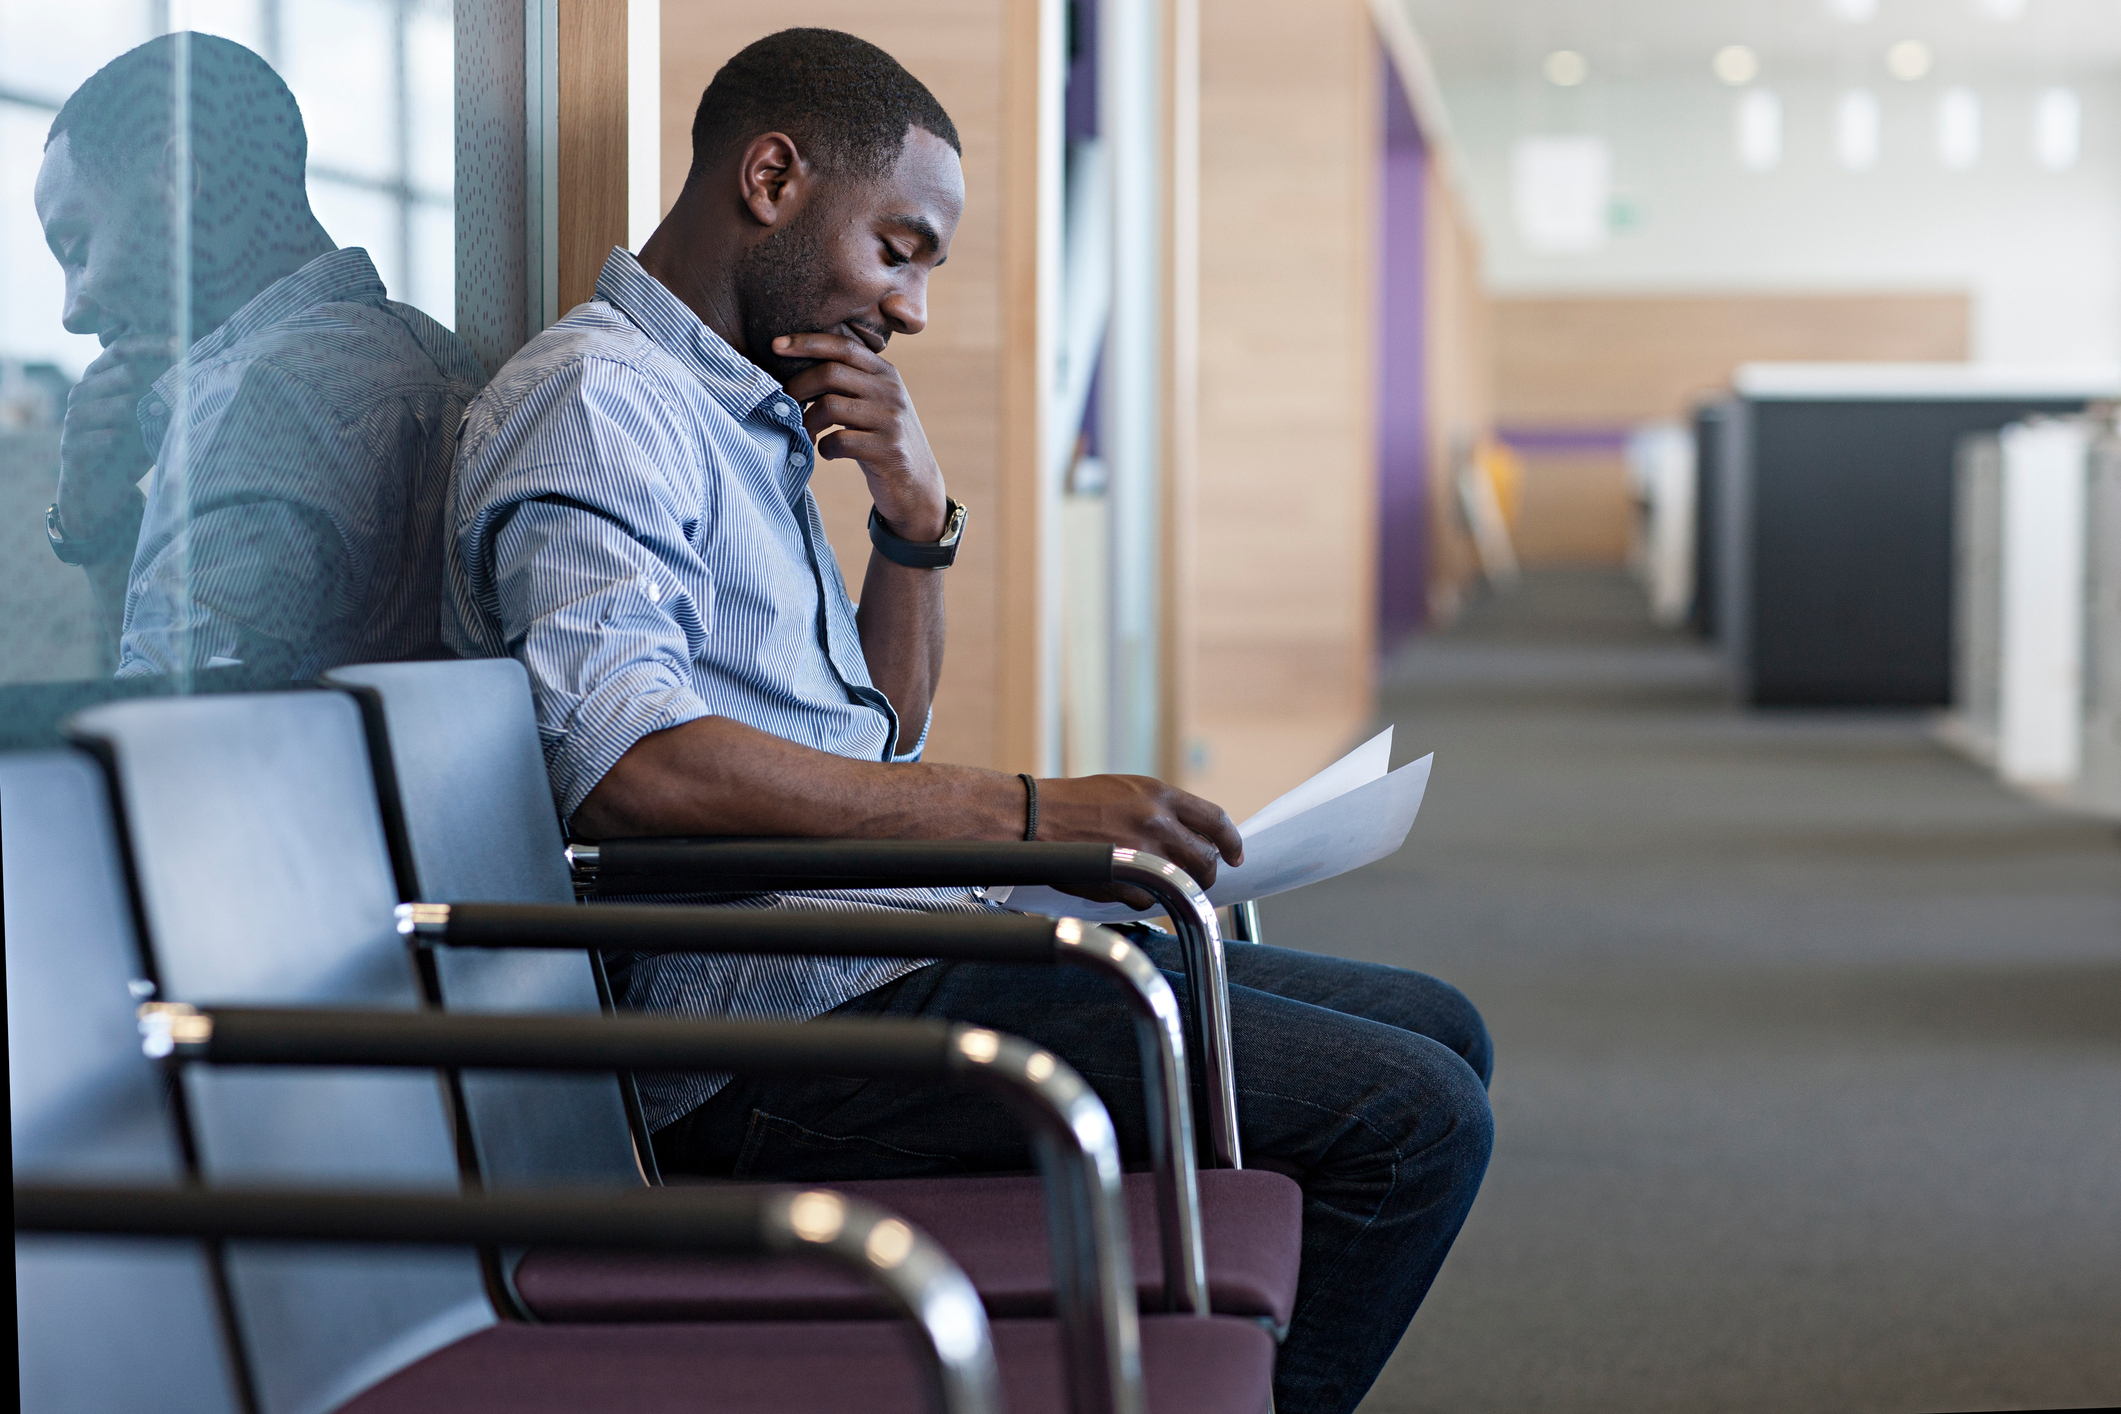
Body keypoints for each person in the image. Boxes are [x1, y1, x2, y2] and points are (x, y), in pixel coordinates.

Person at [448, 28, 1491, 1414]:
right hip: (760, 1039)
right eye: (902, 247)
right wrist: (1033, 816)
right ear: (771, 177)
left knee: (1441, 1025)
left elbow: (870, 729)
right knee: (1410, 1117)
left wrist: (916, 525)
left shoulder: (735, 412)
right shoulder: (599, 407)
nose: (915, 305)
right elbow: (631, 770)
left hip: (875, 951)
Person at [33, 33, 484, 681]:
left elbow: (165, 755)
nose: (74, 311)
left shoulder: (259, 401)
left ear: (179, 180)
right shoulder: (429, 354)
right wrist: (102, 535)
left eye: (76, 248)